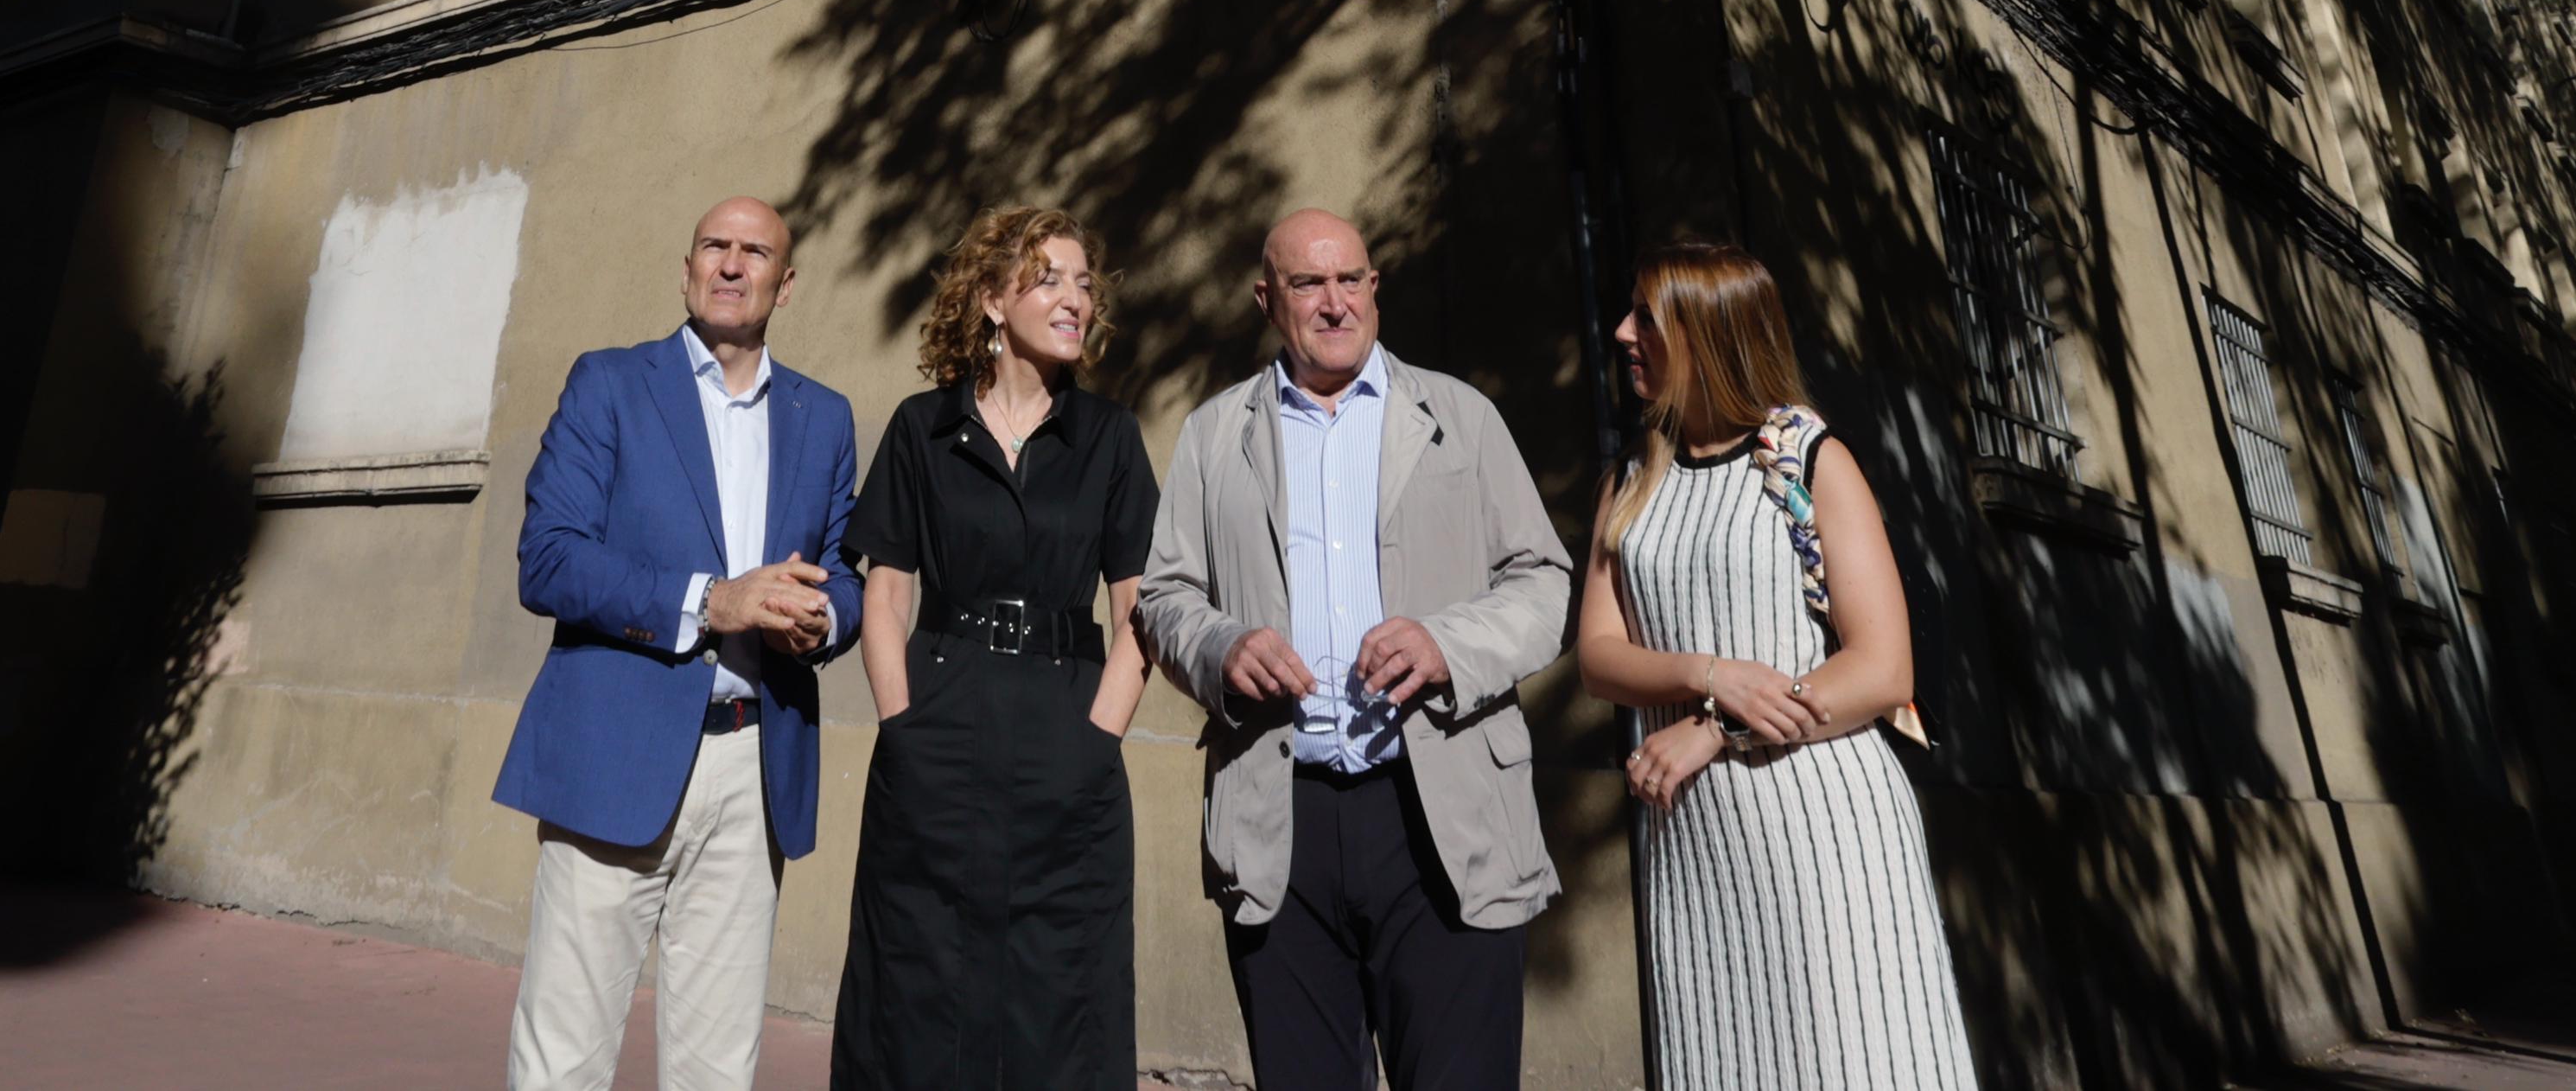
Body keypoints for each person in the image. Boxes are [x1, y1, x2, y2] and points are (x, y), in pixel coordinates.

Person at [1136, 210, 1572, 1091]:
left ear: (1374, 288)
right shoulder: (1216, 434)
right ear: (1267, 300)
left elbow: (1543, 582)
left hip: (1442, 811)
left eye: (1350, 280)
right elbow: (1164, 596)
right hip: (1281, 820)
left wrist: (1446, 643)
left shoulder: (1459, 416)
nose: (1334, 303)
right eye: (1307, 284)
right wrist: (1221, 648)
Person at [1578, 239, 1979, 1091]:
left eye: (1646, 318)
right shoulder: (1630, 479)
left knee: (1851, 1063)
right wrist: (1707, 675)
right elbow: (1599, 658)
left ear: (1707, 333)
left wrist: (1714, 729)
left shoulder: (1808, 459)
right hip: (1693, 835)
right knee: (1722, 1060)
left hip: (1823, 828)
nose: (1621, 334)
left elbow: (1882, 670)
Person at [493, 195, 863, 1091]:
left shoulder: (823, 416)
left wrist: (825, 621)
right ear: (687, 268)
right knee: (563, 1056)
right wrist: (713, 601)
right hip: (613, 755)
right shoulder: (611, 383)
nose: (731, 265)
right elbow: (549, 558)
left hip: (754, 764)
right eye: (713, 247)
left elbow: (843, 570)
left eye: (754, 253)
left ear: (785, 284)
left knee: (717, 1067)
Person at [834, 206, 1159, 1091]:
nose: (1075, 299)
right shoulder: (922, 428)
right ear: (989, 300)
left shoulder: (1109, 438)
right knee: (918, 974)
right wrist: (901, 724)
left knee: (1061, 982)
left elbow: (1139, 611)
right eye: (1047, 279)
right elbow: (886, 592)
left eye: (1083, 283)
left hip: (1067, 725)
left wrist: (1098, 738)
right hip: (937, 720)